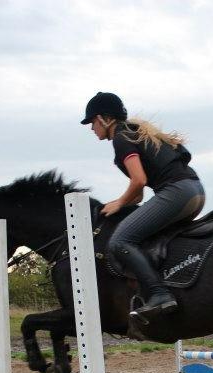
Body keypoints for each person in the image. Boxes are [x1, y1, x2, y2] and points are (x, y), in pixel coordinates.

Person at [81, 91, 205, 321]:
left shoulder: (121, 137)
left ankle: (159, 293)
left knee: (120, 241)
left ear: (104, 119)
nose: (91, 128)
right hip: (195, 191)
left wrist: (119, 202)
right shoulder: (134, 133)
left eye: (92, 122)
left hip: (176, 193)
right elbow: (137, 196)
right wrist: (120, 204)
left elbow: (139, 180)